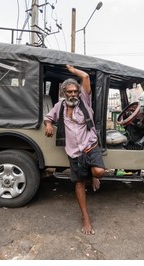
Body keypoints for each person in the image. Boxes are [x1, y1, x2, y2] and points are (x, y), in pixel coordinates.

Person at [44, 64, 105, 235]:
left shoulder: (84, 101)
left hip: (90, 146)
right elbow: (48, 117)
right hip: (74, 152)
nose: (72, 94)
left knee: (99, 171)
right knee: (79, 184)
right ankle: (86, 218)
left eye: (75, 91)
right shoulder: (60, 106)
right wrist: (48, 125)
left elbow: (85, 77)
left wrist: (72, 70)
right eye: (69, 92)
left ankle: (94, 176)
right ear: (64, 93)